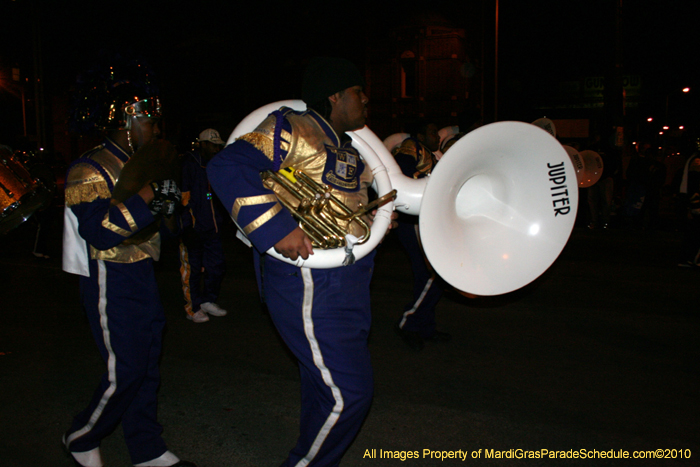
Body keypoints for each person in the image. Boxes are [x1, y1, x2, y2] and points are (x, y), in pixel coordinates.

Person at [207, 57, 387, 467]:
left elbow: (346, 207)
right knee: (349, 393)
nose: (365, 99)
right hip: (309, 281)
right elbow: (227, 166)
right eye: (358, 91)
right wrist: (275, 230)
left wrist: (371, 224)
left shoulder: (350, 148)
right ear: (334, 95)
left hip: (350, 279)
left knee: (324, 389)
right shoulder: (290, 126)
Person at [62, 80, 196, 467]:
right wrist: (151, 195)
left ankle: (146, 447)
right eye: (150, 121)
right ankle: (81, 435)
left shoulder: (143, 163)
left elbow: (168, 227)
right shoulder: (89, 167)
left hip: (142, 272)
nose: (155, 130)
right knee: (127, 367)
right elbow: (100, 232)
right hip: (108, 274)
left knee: (149, 359)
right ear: (129, 118)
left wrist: (175, 209)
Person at [391, 119, 451, 350]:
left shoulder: (424, 151)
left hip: (420, 220)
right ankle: (409, 322)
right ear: (420, 135)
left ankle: (424, 326)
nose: (437, 135)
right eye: (432, 131)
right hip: (413, 222)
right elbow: (404, 175)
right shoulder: (410, 147)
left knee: (428, 275)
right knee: (432, 275)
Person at [179, 128, 229, 323]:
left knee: (216, 266)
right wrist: (186, 226)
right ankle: (192, 308)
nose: (216, 149)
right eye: (213, 145)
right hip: (194, 229)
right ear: (202, 144)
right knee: (191, 269)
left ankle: (208, 300)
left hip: (212, 228)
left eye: (218, 145)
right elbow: (183, 197)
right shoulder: (189, 164)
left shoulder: (213, 165)